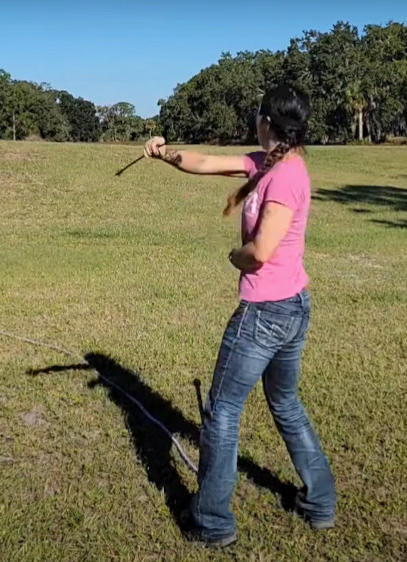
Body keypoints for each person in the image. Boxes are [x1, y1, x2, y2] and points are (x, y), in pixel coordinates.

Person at [144, 84, 336, 549]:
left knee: (223, 410)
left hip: (267, 312)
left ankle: (211, 522)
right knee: (285, 403)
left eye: (257, 114)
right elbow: (207, 163)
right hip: (291, 307)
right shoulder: (267, 161)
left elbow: (259, 253)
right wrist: (165, 154)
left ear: (268, 121)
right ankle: (320, 502)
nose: (255, 120)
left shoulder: (286, 176)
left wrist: (234, 255)